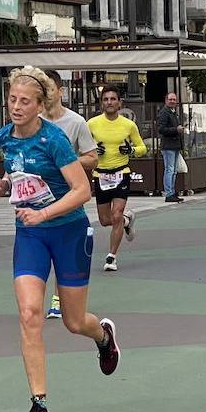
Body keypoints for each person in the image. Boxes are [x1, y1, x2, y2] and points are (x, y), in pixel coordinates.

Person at [0, 66, 120, 412]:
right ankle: (38, 404)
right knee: (30, 314)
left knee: (75, 322)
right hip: (30, 235)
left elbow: (82, 190)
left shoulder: (55, 140)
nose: (15, 106)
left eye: (24, 101)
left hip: (67, 231)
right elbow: (19, 176)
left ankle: (103, 336)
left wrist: (43, 212)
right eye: (12, 99)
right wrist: (2, 185)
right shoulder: (6, 136)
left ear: (40, 104)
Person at [42, 71, 97, 320]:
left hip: (67, 196)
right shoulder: (33, 121)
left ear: (60, 91)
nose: (46, 93)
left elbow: (92, 158)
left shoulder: (76, 122)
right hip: (38, 198)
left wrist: (68, 161)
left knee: (61, 248)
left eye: (50, 88)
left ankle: (57, 298)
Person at [86, 86, 147, 272]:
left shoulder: (128, 125)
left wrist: (131, 151)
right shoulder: (92, 124)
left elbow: (142, 147)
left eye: (113, 99)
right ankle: (127, 221)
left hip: (122, 173)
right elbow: (82, 149)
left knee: (116, 214)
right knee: (105, 220)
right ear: (101, 103)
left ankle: (111, 257)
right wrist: (94, 151)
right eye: (106, 99)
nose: (110, 102)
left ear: (119, 103)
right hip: (100, 175)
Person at [158, 92, 186, 204]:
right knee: (169, 170)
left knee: (173, 170)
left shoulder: (174, 112)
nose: (172, 101)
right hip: (168, 145)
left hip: (174, 145)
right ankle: (169, 193)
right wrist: (176, 130)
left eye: (174, 99)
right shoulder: (164, 113)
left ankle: (172, 192)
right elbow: (161, 129)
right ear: (166, 100)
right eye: (170, 99)